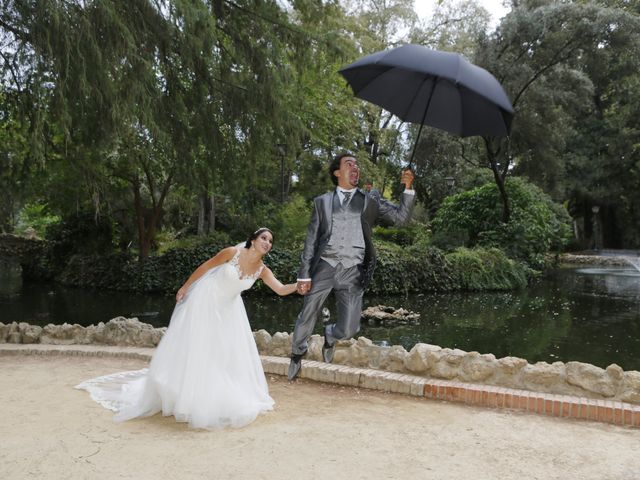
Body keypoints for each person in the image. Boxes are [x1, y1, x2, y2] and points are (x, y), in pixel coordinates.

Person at [76, 228, 298, 429]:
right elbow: (206, 267)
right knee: (198, 347)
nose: (268, 242)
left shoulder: (261, 269)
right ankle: (183, 395)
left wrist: (299, 286)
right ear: (253, 239)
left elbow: (280, 289)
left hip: (229, 312)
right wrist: (185, 287)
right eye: (264, 238)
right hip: (205, 302)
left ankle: (207, 396)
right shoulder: (232, 252)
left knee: (220, 353)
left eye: (270, 241)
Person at [288, 153, 416, 380]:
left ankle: (330, 334)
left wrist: (407, 188)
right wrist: (304, 274)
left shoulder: (370, 200)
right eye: (349, 164)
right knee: (308, 313)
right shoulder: (322, 202)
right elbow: (311, 240)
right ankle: (297, 354)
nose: (355, 167)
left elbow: (401, 219)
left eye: (357, 165)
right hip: (325, 265)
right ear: (337, 172)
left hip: (353, 268)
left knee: (350, 329)